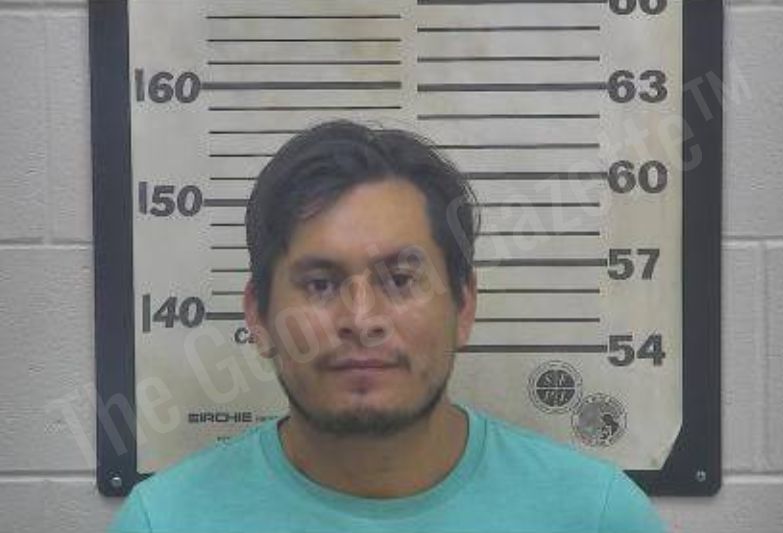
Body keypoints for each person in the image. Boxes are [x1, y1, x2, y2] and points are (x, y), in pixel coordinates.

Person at [110, 120, 664, 532]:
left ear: (464, 307)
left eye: (400, 280)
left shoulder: (597, 517)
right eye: (319, 284)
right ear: (258, 317)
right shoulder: (165, 522)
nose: (361, 319)